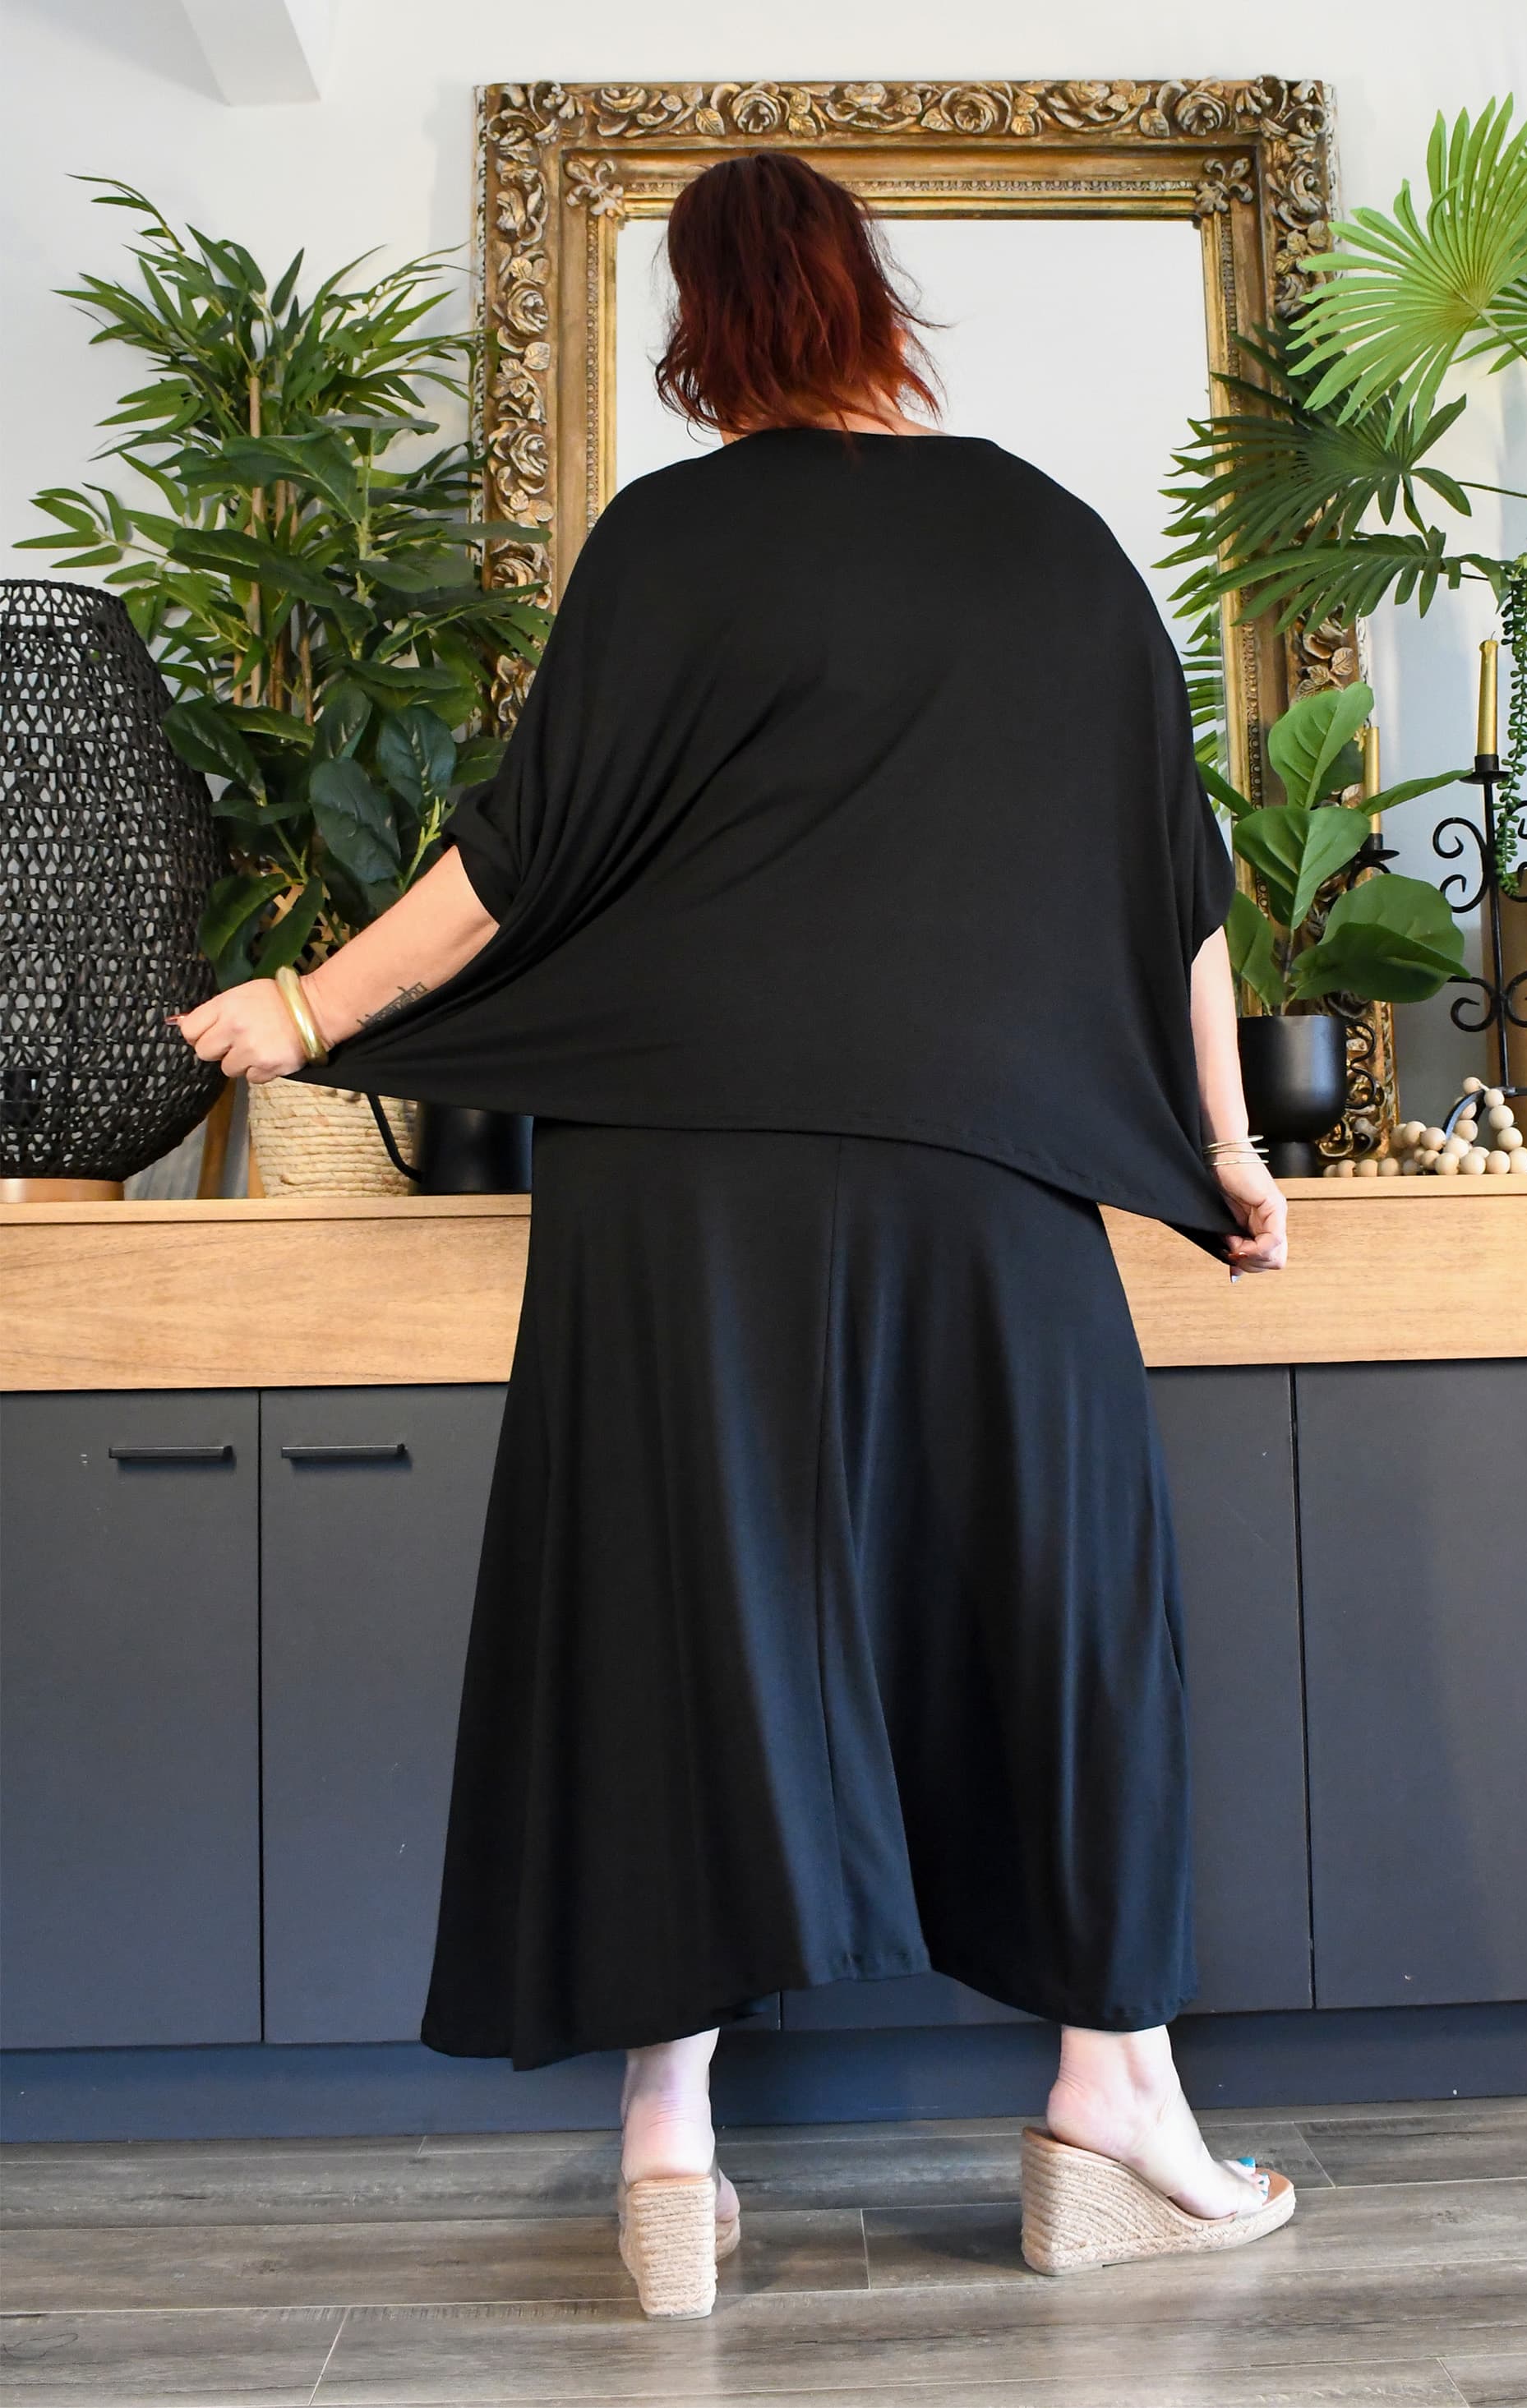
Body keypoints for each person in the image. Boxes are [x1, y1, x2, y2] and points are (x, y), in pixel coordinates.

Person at [173, 150, 1291, 2315]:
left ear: (699, 325)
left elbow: (517, 861)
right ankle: (1110, 2103)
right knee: (1063, 1606)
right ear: (873, 300)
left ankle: (666, 2153)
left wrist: (304, 1006)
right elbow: (1175, 880)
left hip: (671, 1173)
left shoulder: (665, 538)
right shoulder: (1048, 539)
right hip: (978, 1166)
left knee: (674, 1610)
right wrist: (1226, 1147)